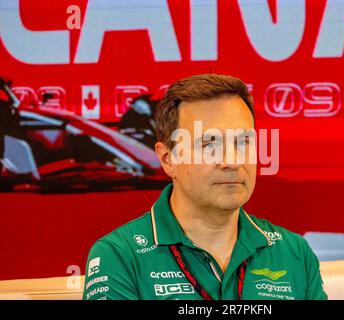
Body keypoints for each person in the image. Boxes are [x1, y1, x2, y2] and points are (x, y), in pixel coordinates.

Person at [82, 74, 328, 300]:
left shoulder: (294, 252)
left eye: (243, 142)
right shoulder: (119, 256)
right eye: (210, 144)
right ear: (168, 158)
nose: (231, 161)